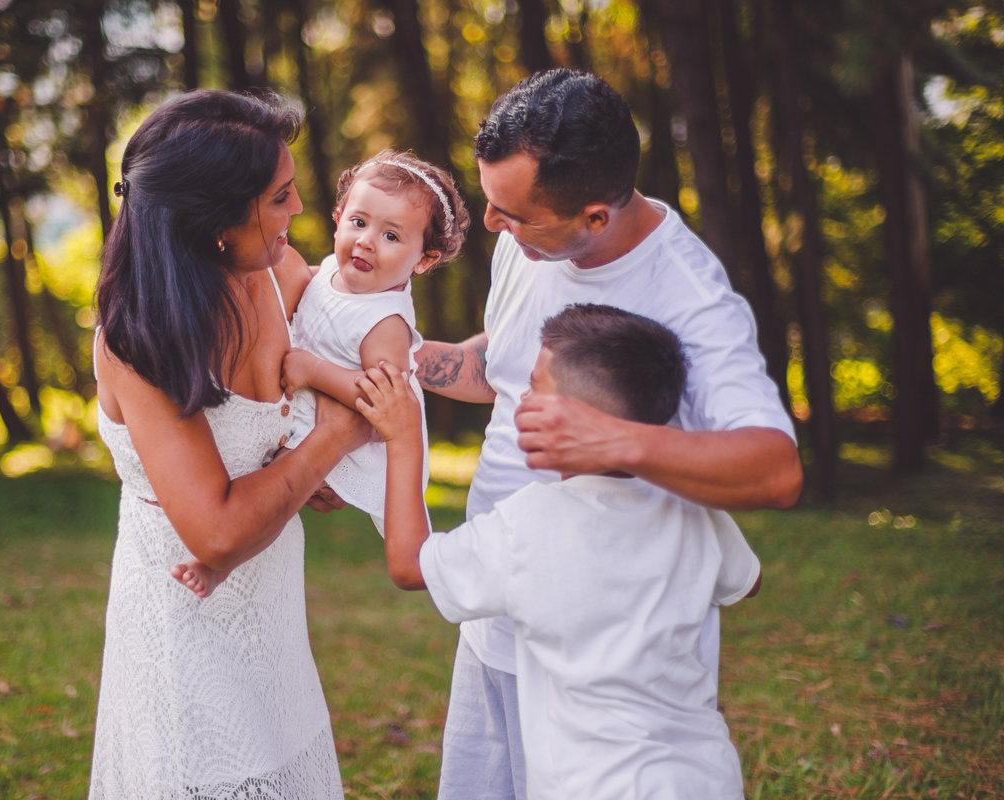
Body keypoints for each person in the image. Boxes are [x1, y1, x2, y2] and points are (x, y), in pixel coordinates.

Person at [414, 68, 803, 798]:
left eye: (513, 214)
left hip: (599, 662)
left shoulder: (688, 298)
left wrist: (616, 441)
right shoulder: (524, 241)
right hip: (498, 616)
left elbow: (776, 470)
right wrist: (393, 368)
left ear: (595, 216)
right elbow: (497, 368)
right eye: (490, 204)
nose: (492, 226)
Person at [356, 303, 763, 799]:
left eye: (534, 387)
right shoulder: (692, 509)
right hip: (703, 778)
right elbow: (748, 580)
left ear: (578, 420)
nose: (520, 398)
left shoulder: (528, 522)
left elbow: (408, 565)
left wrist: (403, 441)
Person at [88, 90, 371, 799]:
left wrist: (301, 464)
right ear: (216, 220)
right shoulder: (139, 341)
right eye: (279, 197)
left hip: (270, 605)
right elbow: (213, 531)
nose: (299, 210)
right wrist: (333, 437)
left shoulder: (278, 272)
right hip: (184, 627)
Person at [172, 150, 468, 578]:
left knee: (273, 481)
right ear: (338, 217)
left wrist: (311, 370)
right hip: (308, 409)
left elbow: (382, 401)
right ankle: (221, 553)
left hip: (350, 433)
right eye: (359, 222)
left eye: (391, 236)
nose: (366, 241)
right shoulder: (331, 271)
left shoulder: (385, 322)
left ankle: (217, 562)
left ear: (424, 259)